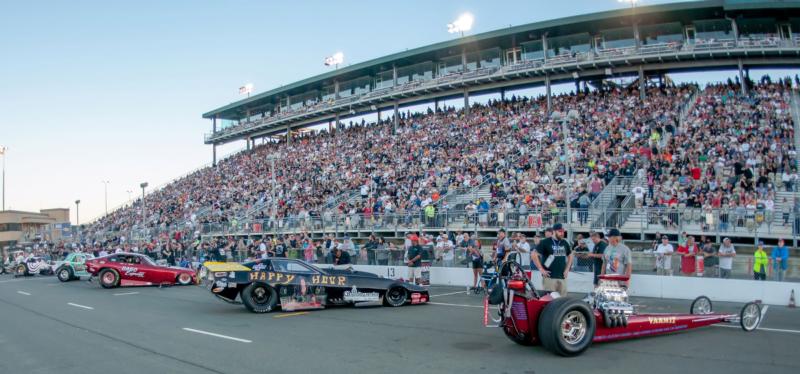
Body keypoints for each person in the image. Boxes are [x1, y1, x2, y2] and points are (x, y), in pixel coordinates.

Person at [532, 223, 572, 296]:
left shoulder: (564, 242)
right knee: (550, 301)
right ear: (554, 231)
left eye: (563, 231)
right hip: (549, 277)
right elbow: (534, 255)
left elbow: (570, 255)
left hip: (562, 277)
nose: (562, 233)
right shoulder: (545, 242)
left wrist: (567, 269)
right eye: (560, 231)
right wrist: (541, 269)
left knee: (562, 301)